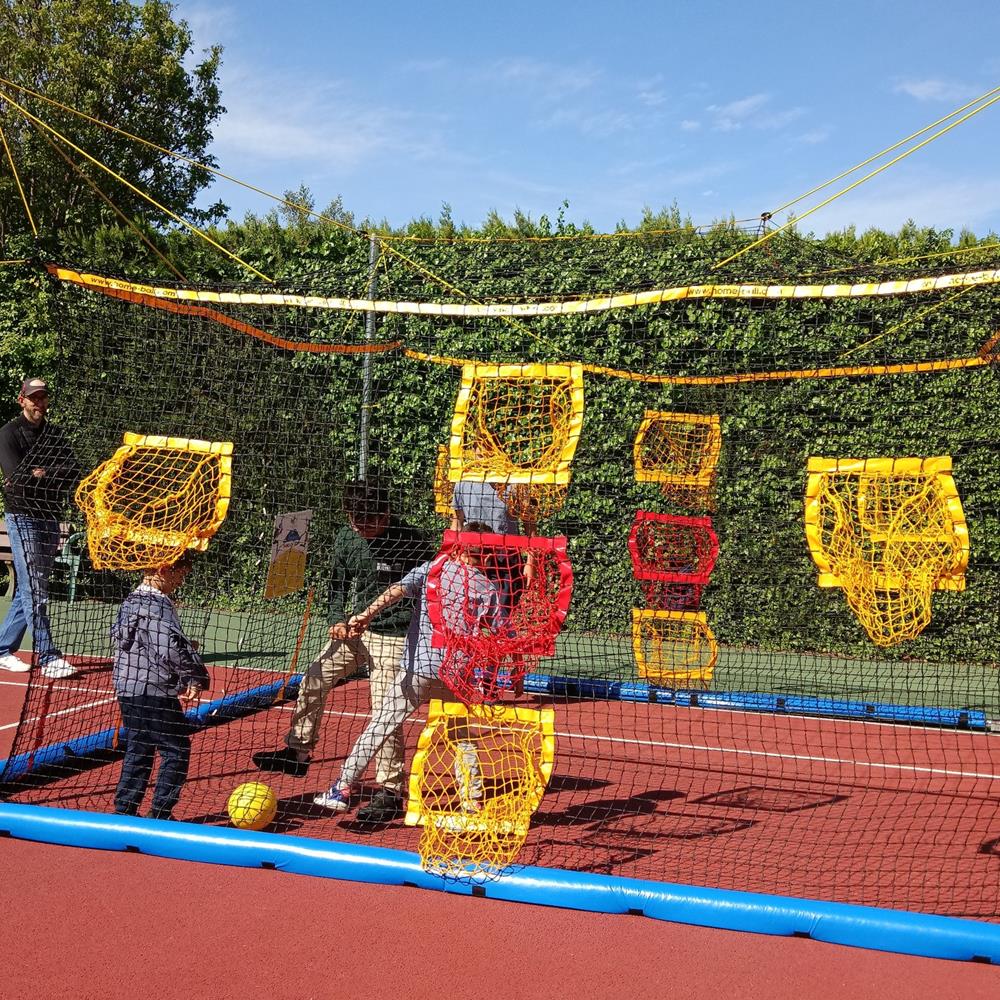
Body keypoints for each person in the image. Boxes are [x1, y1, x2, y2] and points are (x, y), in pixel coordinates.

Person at [253, 478, 433, 824]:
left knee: (385, 711)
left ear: (387, 513)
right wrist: (337, 619)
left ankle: (390, 789)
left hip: (395, 636)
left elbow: (423, 596)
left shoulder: (413, 542)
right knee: (315, 678)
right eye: (356, 522)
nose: (363, 529)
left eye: (370, 523)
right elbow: (336, 586)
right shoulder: (346, 538)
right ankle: (298, 752)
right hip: (354, 628)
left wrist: (384, 620)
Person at [313, 521, 500, 814]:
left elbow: (396, 591)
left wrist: (365, 615)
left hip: (420, 668)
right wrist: (494, 678)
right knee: (462, 736)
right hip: (457, 675)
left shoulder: (435, 569)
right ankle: (471, 799)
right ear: (487, 556)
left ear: (458, 546)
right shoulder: (489, 588)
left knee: (380, 725)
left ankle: (343, 787)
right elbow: (498, 636)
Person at [111, 551, 209, 820]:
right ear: (165, 569)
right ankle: (161, 813)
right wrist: (194, 676)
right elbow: (168, 648)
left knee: (139, 747)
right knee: (176, 749)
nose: (181, 580)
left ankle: (125, 810)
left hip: (128, 687)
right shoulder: (157, 604)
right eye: (180, 573)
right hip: (153, 689)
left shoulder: (131, 601)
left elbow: (140, 642)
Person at [0, 377, 79, 679]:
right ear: (22, 400)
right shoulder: (7, 435)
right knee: (35, 585)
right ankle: (48, 655)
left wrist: (42, 473)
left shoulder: (54, 434)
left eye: (43, 397)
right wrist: (45, 476)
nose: (39, 403)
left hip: (50, 517)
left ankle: (2, 648)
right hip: (22, 518)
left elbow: (72, 471)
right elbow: (16, 480)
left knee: (31, 586)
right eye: (34, 398)